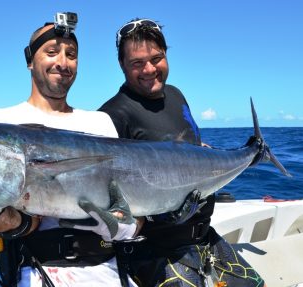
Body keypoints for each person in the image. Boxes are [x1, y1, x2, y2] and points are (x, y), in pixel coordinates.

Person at [0, 13, 141, 287]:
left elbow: (131, 205)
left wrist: (125, 226)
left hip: (110, 272)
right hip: (37, 273)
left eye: (71, 54)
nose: (62, 62)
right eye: (52, 52)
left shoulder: (101, 122)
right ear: (30, 61)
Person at [98, 18, 265, 287]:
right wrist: (160, 214)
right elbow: (109, 203)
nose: (150, 69)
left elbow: (191, 148)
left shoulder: (175, 94)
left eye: (157, 58)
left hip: (204, 237)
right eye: (137, 63)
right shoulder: (111, 116)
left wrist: (243, 155)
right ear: (122, 66)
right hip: (154, 253)